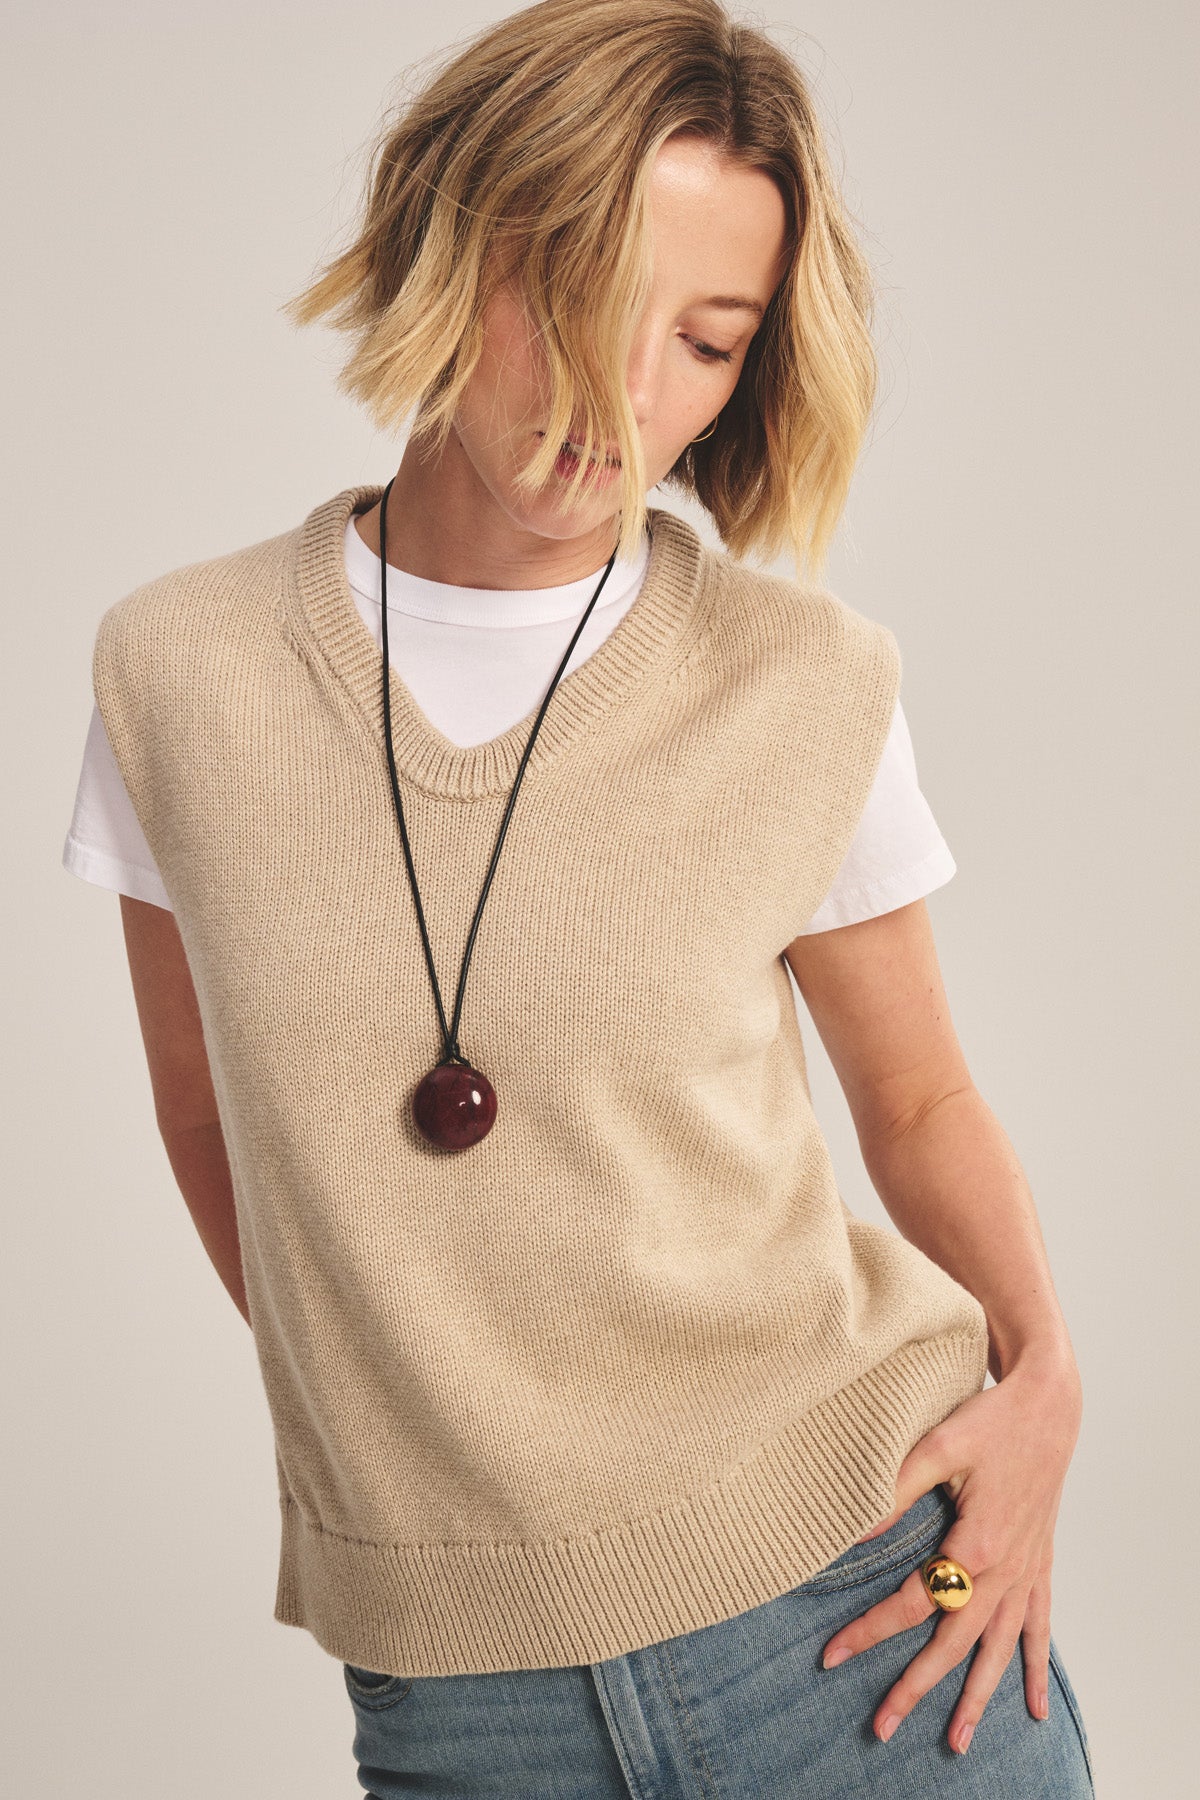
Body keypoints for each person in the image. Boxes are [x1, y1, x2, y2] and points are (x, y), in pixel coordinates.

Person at [62, 1, 1096, 1793]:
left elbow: (918, 1101)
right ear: (459, 248)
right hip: (463, 1703)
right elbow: (213, 1118)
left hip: (867, 1634)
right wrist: (438, 1456)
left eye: (705, 343)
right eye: (589, 304)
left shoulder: (801, 681)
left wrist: (1051, 1386)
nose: (632, 404)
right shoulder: (184, 674)